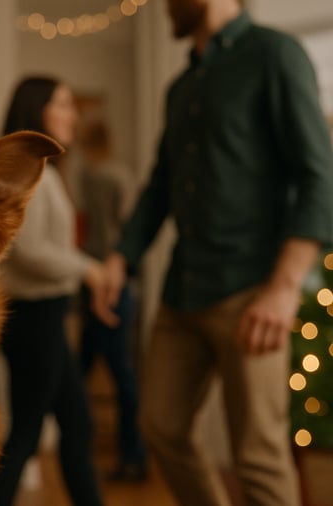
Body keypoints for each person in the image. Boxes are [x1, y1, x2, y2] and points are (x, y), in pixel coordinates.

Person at [96, 0, 333, 504]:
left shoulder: (274, 55)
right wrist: (122, 256)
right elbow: (160, 185)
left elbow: (319, 176)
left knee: (258, 455)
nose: (164, 7)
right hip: (183, 292)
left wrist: (285, 287)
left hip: (253, 293)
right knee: (160, 424)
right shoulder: (181, 89)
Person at [0, 76, 116, 506]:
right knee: (26, 433)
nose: (73, 115)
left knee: (77, 424)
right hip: (32, 317)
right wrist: (90, 270)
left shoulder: (45, 171)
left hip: (47, 315)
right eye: (62, 104)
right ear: (37, 110)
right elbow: (26, 249)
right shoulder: (22, 173)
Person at [75, 119, 147, 482]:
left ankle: (125, 456)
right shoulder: (118, 176)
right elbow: (129, 230)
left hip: (95, 278)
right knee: (120, 375)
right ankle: (124, 456)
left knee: (89, 374)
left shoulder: (90, 178)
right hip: (116, 281)